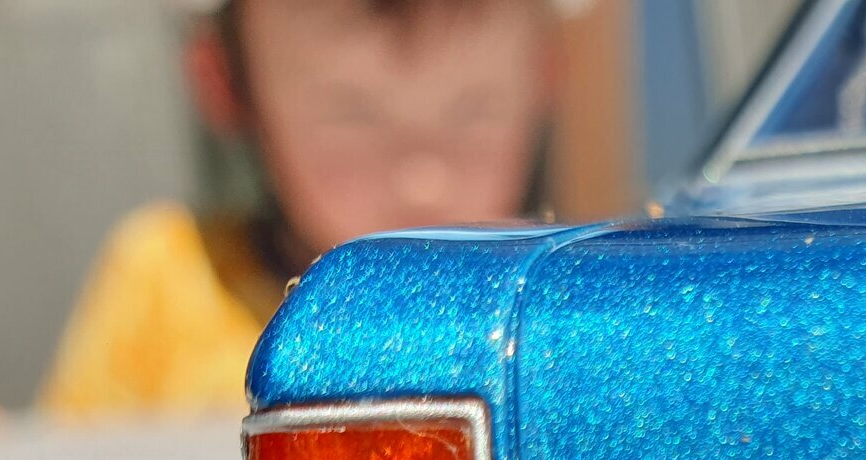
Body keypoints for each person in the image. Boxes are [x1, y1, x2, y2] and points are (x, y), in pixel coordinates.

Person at [39, 0, 567, 421]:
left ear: (547, 75)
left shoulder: (562, 310)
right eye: (353, 119)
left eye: (475, 113)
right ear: (224, 82)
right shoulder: (162, 284)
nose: (422, 183)